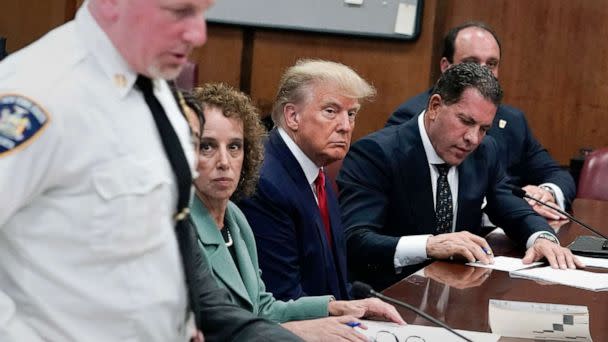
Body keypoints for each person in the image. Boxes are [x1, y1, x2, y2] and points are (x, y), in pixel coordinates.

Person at [0, 1, 301, 341]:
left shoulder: (161, 96)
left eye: (202, 12)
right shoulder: (37, 93)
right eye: (179, 12)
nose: (198, 34)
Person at [338, 63, 583, 291]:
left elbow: (510, 207)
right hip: (390, 294)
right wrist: (429, 245)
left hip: (455, 293)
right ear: (435, 107)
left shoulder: (485, 151)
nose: (473, 139)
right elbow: (356, 240)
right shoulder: (377, 153)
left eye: (484, 129)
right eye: (466, 122)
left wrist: (541, 238)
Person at [189, 83, 405, 341]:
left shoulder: (235, 219)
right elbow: (213, 328)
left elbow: (262, 308)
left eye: (234, 147)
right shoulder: (180, 229)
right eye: (207, 147)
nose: (224, 162)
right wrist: (300, 331)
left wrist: (334, 307)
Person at [385, 22, 575, 221]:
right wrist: (513, 205)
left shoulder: (513, 120)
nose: (484, 72)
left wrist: (543, 194)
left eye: (491, 64)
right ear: (446, 67)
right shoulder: (414, 118)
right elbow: (414, 198)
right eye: (472, 63)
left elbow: (556, 173)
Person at [238, 59, 376, 301]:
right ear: (293, 116)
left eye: (351, 114)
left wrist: (362, 305)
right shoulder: (266, 182)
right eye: (331, 111)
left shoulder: (317, 170)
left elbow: (330, 278)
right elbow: (282, 296)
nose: (345, 126)